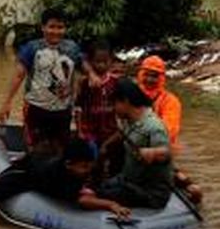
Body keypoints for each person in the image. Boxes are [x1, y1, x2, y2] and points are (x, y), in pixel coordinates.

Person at [0, 137, 129, 218]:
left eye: (90, 165)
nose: (88, 169)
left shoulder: (78, 170)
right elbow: (81, 200)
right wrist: (110, 205)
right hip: (29, 173)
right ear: (69, 164)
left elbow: (83, 191)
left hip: (45, 159)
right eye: (84, 166)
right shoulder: (61, 174)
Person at [0, 8, 82, 151]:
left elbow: (81, 73)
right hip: (36, 107)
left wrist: (78, 103)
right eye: (52, 27)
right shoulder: (32, 48)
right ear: (43, 27)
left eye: (60, 27)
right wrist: (7, 102)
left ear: (65, 28)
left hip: (62, 109)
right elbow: (19, 75)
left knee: (60, 148)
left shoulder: (72, 48)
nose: (55, 31)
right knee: (36, 148)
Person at [92, 78, 174, 210]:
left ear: (125, 101)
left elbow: (167, 153)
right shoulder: (130, 121)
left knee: (97, 195)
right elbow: (122, 133)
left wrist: (152, 152)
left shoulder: (153, 127)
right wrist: (105, 145)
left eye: (115, 104)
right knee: (94, 188)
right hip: (128, 180)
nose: (113, 109)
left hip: (149, 193)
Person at [136, 55, 203, 204]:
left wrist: (151, 150)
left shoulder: (171, 101)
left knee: (188, 186)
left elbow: (168, 131)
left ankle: (189, 187)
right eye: (147, 74)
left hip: (160, 153)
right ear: (141, 74)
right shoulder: (132, 95)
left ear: (161, 78)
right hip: (134, 148)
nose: (149, 80)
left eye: (154, 76)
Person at [76, 39, 120, 146]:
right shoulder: (84, 83)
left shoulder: (116, 82)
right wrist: (80, 130)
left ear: (111, 60)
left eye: (105, 61)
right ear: (90, 62)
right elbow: (79, 108)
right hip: (89, 133)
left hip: (111, 133)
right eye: (98, 61)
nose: (102, 65)